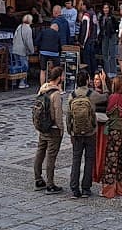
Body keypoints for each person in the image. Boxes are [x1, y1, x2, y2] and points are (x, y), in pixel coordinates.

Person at [33, 64, 67, 194]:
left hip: (42, 126)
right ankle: (50, 184)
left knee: (40, 152)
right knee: (51, 156)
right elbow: (58, 113)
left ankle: (38, 179)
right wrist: (61, 128)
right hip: (52, 128)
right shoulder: (56, 94)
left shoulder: (43, 88)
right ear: (59, 78)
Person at [67, 71, 100, 198]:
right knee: (89, 159)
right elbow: (106, 97)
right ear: (87, 80)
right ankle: (86, 188)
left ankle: (74, 188)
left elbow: (69, 115)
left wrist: (70, 131)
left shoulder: (72, 95)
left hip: (76, 132)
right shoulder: (91, 94)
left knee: (76, 160)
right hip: (90, 131)